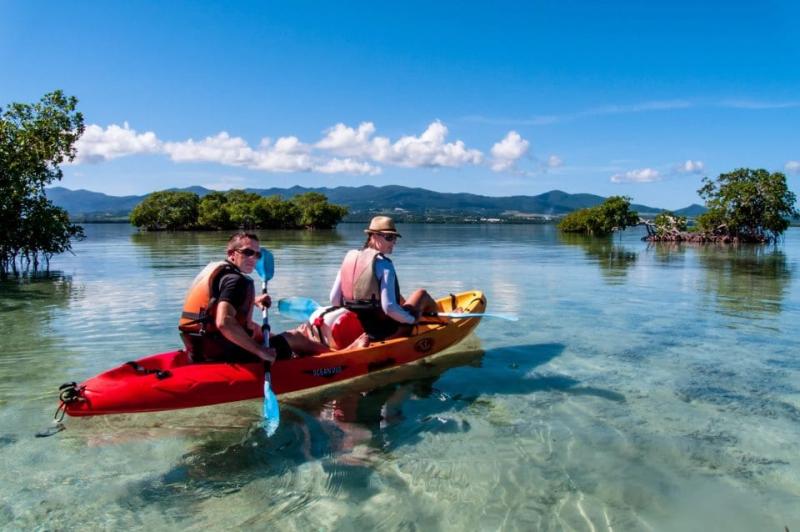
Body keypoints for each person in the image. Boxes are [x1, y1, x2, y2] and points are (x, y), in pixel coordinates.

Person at [178, 231, 329, 363]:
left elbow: (215, 303)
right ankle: (337, 358)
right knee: (295, 336)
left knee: (269, 334)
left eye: (257, 254)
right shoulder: (236, 280)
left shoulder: (223, 273)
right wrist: (260, 351)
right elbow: (224, 322)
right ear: (232, 254)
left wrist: (252, 300)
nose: (254, 259)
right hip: (226, 352)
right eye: (248, 252)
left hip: (200, 348)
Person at [329, 216, 440, 342]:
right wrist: (412, 320)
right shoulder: (384, 264)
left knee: (399, 298)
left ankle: (431, 320)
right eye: (389, 237)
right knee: (422, 294)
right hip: (386, 332)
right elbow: (389, 308)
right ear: (373, 236)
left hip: (359, 331)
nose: (393, 242)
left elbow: (334, 300)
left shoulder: (348, 260)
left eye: (394, 238)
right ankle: (443, 324)